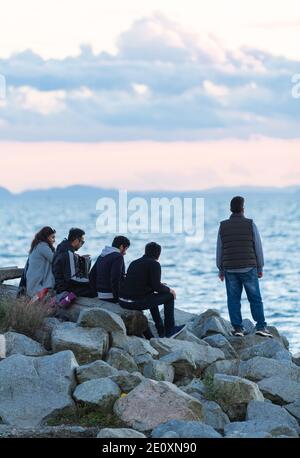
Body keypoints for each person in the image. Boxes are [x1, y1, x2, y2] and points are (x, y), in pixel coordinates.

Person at [217, 196, 273, 338]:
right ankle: (260, 326)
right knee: (255, 298)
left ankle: (238, 328)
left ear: (231, 209)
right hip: (249, 268)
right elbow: (258, 247)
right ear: (243, 208)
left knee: (233, 299)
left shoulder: (223, 225)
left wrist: (221, 269)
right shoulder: (250, 224)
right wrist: (260, 267)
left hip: (230, 268)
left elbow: (220, 249)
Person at [119, 242, 185, 339]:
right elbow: (157, 287)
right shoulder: (154, 264)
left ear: (146, 251)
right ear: (158, 254)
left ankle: (160, 329)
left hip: (123, 301)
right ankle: (170, 330)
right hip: (136, 303)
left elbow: (142, 284)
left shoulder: (134, 262)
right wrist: (169, 290)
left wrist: (159, 286)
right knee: (169, 296)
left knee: (151, 295)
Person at [52, 228, 96, 298]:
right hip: (65, 288)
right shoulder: (69, 253)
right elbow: (72, 278)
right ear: (76, 241)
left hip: (59, 286)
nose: (82, 244)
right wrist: (90, 281)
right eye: (82, 242)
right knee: (94, 290)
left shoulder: (61, 248)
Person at [89, 236, 130, 303]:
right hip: (110, 296)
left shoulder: (101, 255)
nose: (125, 253)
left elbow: (92, 275)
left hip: (100, 294)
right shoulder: (118, 256)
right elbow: (115, 278)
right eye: (125, 249)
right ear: (121, 246)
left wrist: (95, 294)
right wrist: (117, 298)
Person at [24, 226, 56, 298]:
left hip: (32, 283)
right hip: (38, 286)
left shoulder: (37, 245)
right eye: (52, 237)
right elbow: (55, 260)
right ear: (46, 237)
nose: (54, 240)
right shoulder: (43, 247)